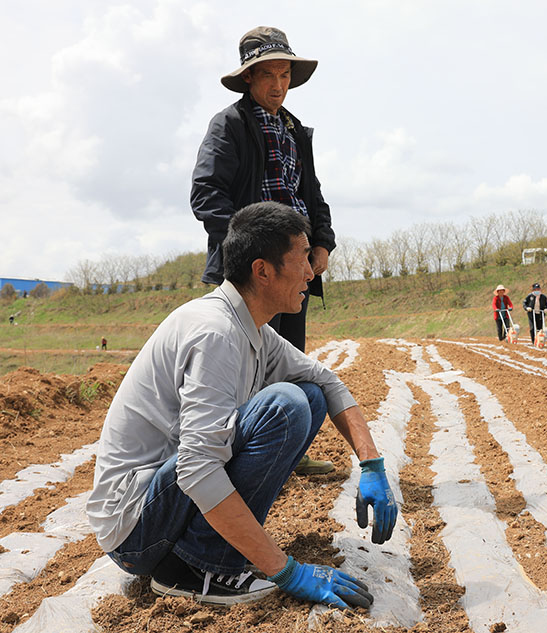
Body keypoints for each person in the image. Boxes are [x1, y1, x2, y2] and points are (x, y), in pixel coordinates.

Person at [86, 202, 398, 608]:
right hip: (135, 529)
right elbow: (197, 468)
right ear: (262, 271)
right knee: (285, 405)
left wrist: (372, 465)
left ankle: (207, 551)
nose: (311, 272)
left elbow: (328, 381)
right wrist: (286, 571)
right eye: (303, 258)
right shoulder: (215, 333)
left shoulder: (250, 328)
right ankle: (195, 568)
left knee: (310, 395)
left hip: (165, 502)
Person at [191, 26, 336, 475]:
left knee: (290, 355)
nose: (278, 84)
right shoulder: (230, 125)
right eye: (268, 74)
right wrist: (251, 245)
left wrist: (322, 242)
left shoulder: (295, 131)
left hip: (294, 263)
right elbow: (206, 194)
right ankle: (237, 457)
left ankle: (288, 453)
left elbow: (312, 195)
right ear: (249, 78)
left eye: (285, 74)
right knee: (244, 363)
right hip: (253, 268)